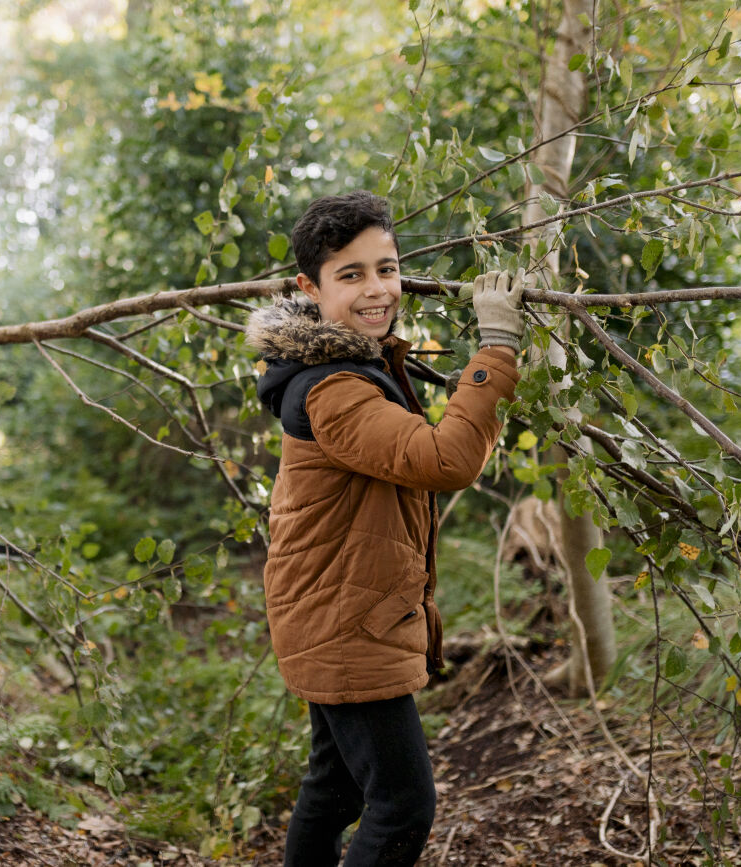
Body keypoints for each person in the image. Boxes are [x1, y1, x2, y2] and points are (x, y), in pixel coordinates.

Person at [247, 191, 526, 865]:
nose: (377, 290)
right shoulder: (333, 387)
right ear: (309, 289)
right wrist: (496, 348)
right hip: (346, 622)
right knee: (402, 806)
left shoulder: (351, 362)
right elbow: (444, 459)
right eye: (352, 275)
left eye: (388, 269)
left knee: (335, 789)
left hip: (333, 607)